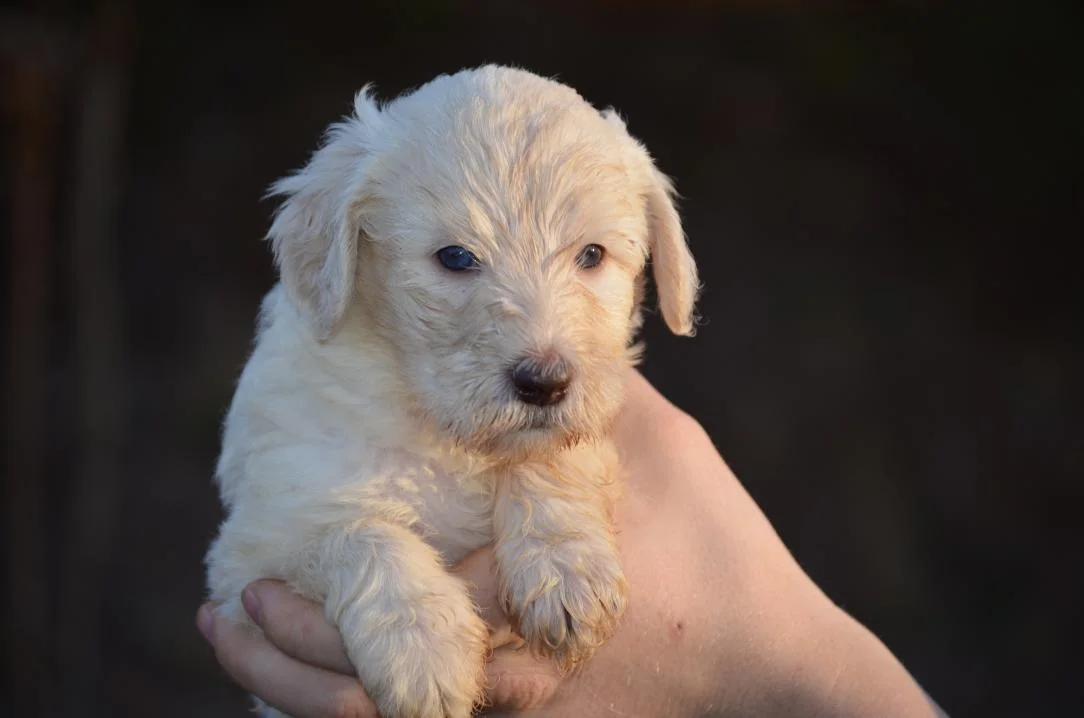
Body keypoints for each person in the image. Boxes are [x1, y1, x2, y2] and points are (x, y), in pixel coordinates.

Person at [196, 370, 948, 717]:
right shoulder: (302, 396)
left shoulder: (651, 440)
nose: (542, 344)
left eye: (590, 256)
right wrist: (370, 569)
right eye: (456, 259)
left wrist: (755, 660)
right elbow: (250, 568)